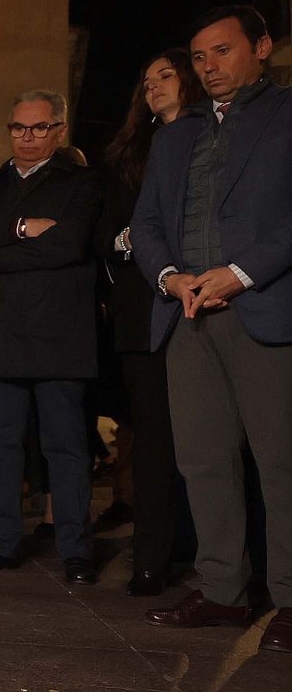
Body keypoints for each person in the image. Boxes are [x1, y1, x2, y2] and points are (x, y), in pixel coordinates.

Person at [134, 6, 292, 651]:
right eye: (200, 57)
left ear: (260, 48)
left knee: (282, 462)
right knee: (203, 460)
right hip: (187, 312)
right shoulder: (176, 134)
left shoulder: (285, 115)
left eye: (222, 52)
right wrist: (170, 276)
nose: (210, 68)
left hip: (264, 309)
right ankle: (224, 591)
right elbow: (145, 223)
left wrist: (243, 272)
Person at [0, 90, 102, 584]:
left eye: (38, 128)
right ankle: (2, 540)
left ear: (58, 130)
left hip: (61, 329)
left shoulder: (81, 182)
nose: (27, 137)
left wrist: (3, 248)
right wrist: (26, 228)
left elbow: (72, 244)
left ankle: (75, 547)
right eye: (18, 128)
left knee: (67, 445)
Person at [98, 50, 203, 596]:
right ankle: (152, 558)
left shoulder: (213, 135)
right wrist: (129, 239)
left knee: (209, 438)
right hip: (144, 308)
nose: (154, 86)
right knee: (153, 435)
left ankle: (216, 554)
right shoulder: (127, 153)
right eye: (146, 81)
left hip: (208, 300)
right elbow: (108, 229)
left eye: (165, 75)